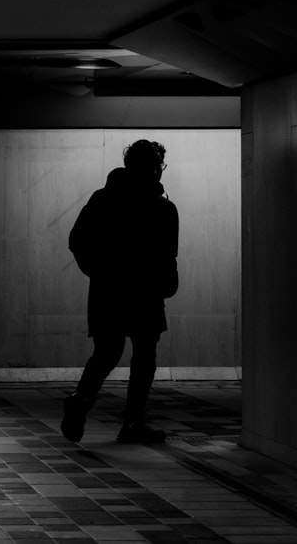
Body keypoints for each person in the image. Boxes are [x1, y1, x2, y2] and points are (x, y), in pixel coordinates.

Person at [62, 140, 179, 444]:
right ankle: (133, 423)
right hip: (146, 293)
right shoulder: (163, 207)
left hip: (107, 291)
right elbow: (168, 254)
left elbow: (77, 240)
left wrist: (98, 271)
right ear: (154, 167)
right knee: (144, 357)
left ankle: (81, 400)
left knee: (106, 352)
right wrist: (167, 284)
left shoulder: (103, 199)